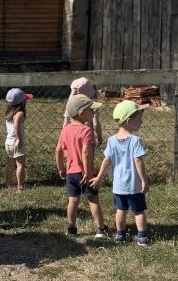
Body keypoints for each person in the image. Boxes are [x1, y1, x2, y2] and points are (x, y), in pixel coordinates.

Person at [89, 100, 150, 247]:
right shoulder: (136, 141)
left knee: (120, 210)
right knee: (139, 211)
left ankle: (120, 235)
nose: (141, 121)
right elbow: (138, 161)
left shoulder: (111, 140)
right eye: (139, 119)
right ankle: (142, 237)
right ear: (129, 121)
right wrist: (144, 180)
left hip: (119, 185)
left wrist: (99, 178)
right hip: (134, 185)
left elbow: (106, 161)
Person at [55, 93, 109, 240]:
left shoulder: (65, 130)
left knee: (73, 200)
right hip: (85, 173)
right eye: (91, 110)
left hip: (71, 173)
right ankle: (100, 229)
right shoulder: (86, 131)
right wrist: (87, 171)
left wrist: (61, 168)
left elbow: (58, 150)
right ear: (82, 113)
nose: (93, 112)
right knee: (93, 200)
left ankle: (72, 228)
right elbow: (86, 152)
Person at [4, 88, 32, 190]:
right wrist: (19, 139)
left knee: (10, 164)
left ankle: (8, 184)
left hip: (8, 142)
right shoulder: (19, 113)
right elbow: (16, 126)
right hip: (16, 142)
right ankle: (20, 186)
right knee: (20, 165)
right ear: (22, 102)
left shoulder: (9, 113)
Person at [62, 77, 102, 146]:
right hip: (88, 138)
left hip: (73, 139)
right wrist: (99, 138)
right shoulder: (91, 105)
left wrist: (65, 138)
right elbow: (95, 124)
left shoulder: (70, 105)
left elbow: (65, 125)